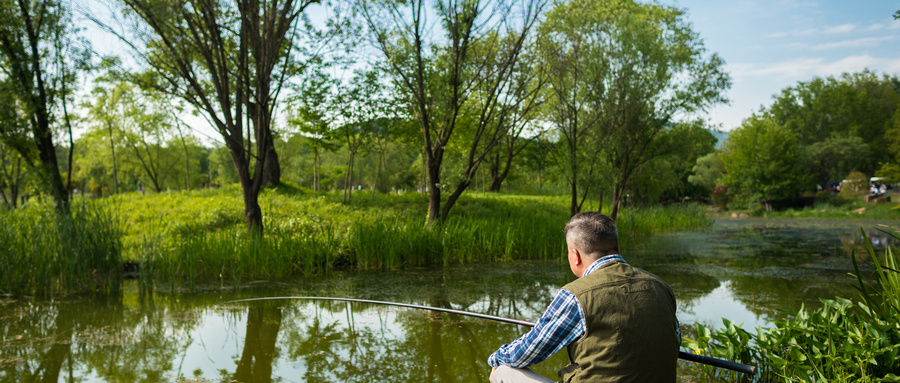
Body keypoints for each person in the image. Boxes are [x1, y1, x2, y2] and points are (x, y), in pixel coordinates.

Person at [487, 212, 680, 383]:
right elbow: (675, 340)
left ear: (575, 255)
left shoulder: (575, 295)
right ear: (618, 250)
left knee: (503, 370)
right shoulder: (661, 286)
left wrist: (495, 359)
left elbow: (528, 352)